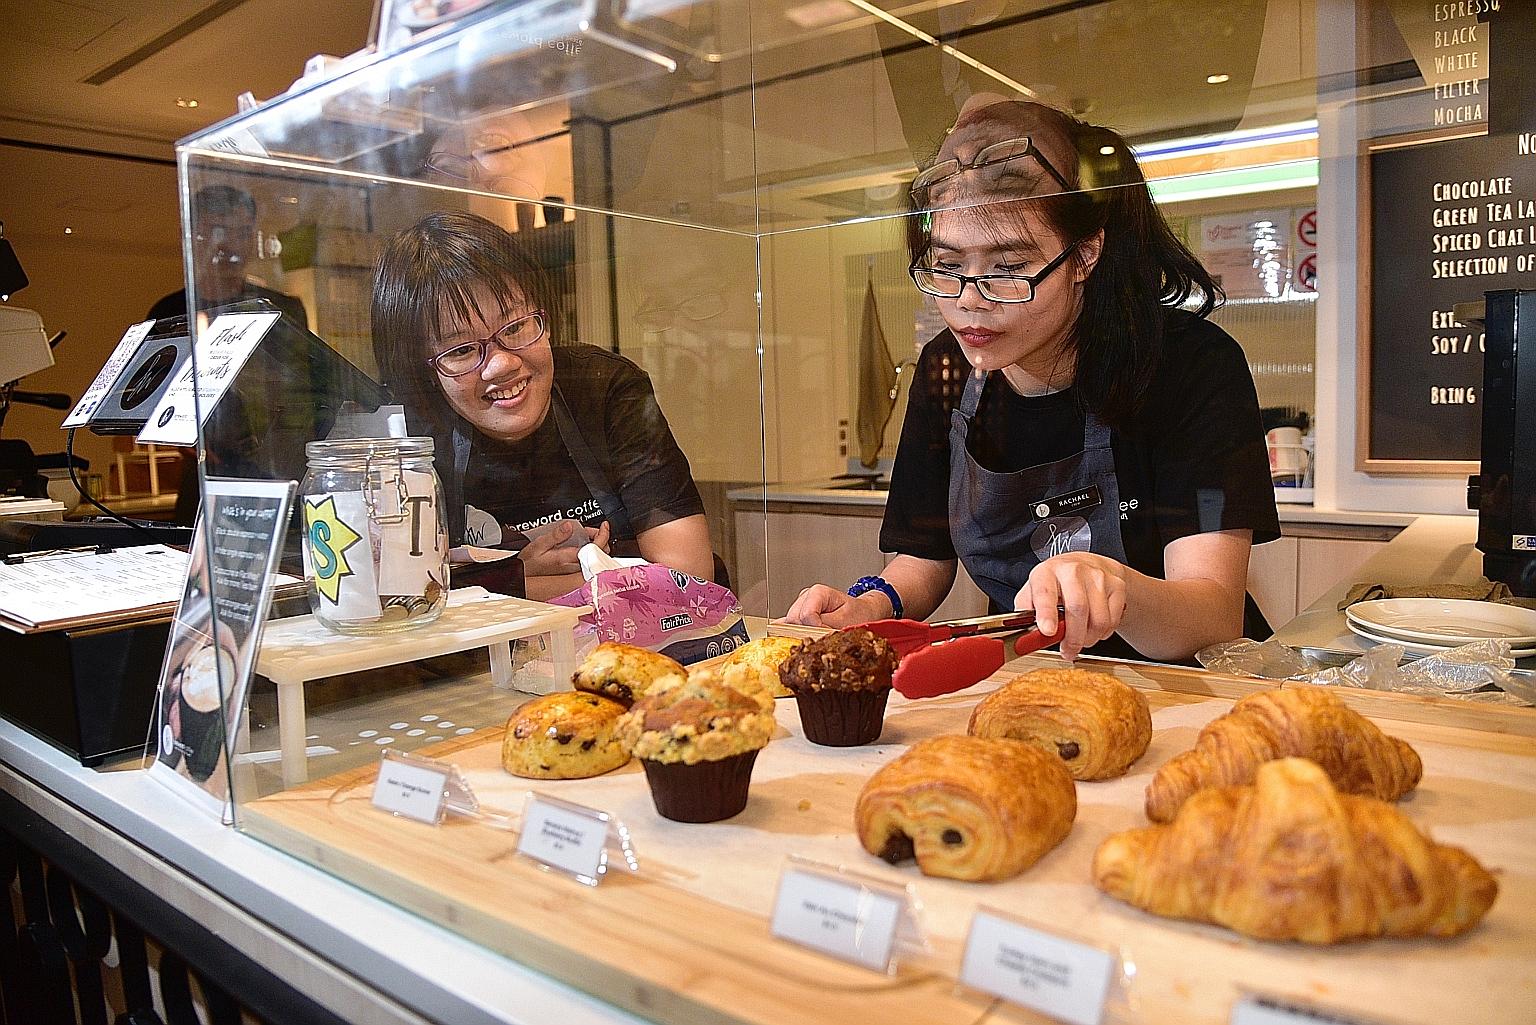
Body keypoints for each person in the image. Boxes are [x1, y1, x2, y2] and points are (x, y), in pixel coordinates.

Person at [784, 98, 1280, 663]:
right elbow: (924, 558)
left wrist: (1111, 584)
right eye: (947, 266)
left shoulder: (1190, 365)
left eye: (1009, 267)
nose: (969, 301)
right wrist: (869, 606)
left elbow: (1213, 613)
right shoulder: (946, 366)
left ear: (1085, 253)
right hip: (1042, 677)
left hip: (1191, 688)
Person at [372, 210, 714, 600]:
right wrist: (522, 574)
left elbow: (689, 577)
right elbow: (399, 597)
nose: (501, 364)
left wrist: (510, 584)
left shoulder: (604, 389)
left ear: (545, 317)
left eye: (516, 327)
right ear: (424, 370)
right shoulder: (408, 436)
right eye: (463, 350)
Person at [148, 184, 307, 327]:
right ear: (189, 238)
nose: (231, 246)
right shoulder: (167, 314)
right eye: (218, 232)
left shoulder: (282, 310)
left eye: (242, 233)